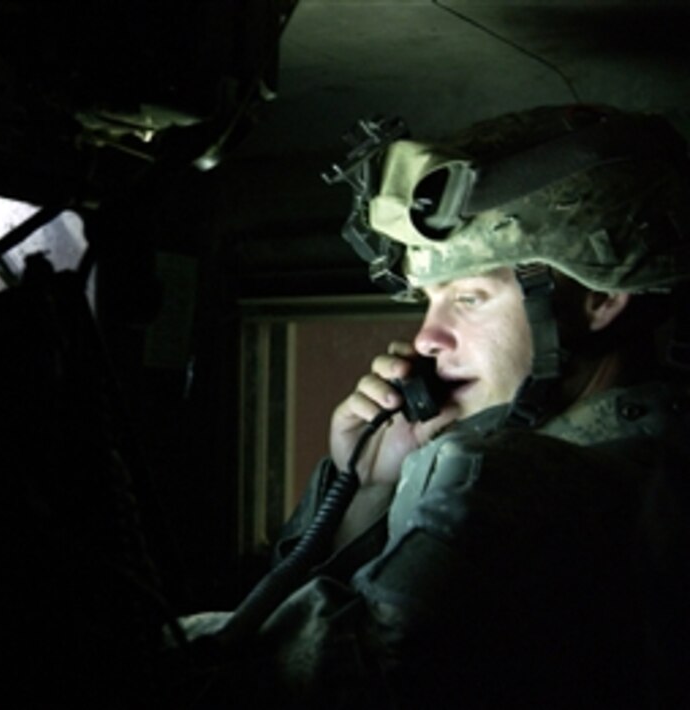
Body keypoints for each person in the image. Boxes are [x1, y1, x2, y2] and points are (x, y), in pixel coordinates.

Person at [178, 105, 690, 708]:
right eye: (429, 300)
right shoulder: (652, 461)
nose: (427, 338)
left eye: (470, 298)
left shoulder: (501, 490)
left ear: (600, 300)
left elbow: (270, 684)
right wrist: (370, 486)